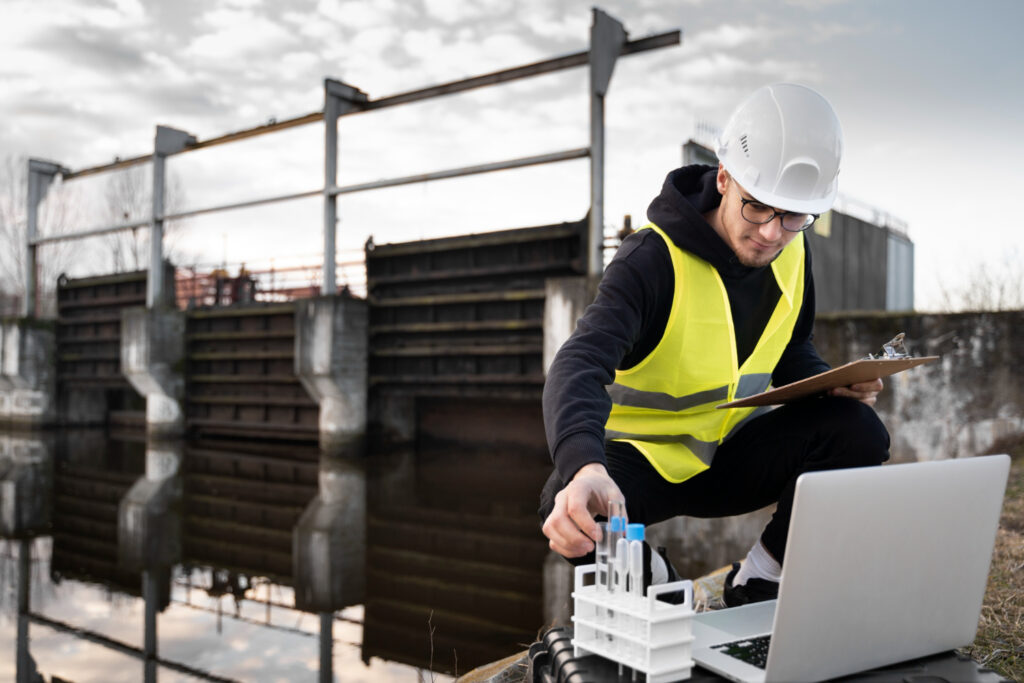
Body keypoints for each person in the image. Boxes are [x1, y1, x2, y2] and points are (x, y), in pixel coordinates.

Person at [538, 83, 891, 606]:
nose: (773, 234)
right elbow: (580, 362)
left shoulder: (794, 252)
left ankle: (760, 581)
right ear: (724, 178)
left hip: (732, 457)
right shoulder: (650, 262)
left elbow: (791, 351)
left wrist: (828, 387)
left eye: (793, 216)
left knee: (859, 431)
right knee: (566, 503)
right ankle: (665, 588)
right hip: (647, 464)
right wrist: (586, 466)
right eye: (757, 208)